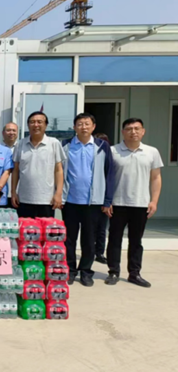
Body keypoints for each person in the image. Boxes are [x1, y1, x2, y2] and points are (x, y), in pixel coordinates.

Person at [106, 118, 163, 288]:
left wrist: (154, 201)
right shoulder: (113, 151)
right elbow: (105, 177)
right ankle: (113, 271)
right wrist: (107, 200)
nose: (133, 132)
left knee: (136, 241)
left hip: (141, 203)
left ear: (143, 131)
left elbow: (156, 178)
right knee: (114, 239)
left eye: (137, 128)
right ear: (123, 132)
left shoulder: (151, 152)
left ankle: (134, 273)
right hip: (117, 203)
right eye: (129, 129)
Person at [61, 113, 114, 287]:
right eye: (80, 124)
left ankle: (85, 271)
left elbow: (109, 173)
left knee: (89, 239)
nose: (83, 127)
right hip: (70, 200)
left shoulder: (102, 146)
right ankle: (70, 270)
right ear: (74, 127)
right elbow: (59, 171)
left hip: (93, 202)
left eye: (87, 124)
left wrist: (107, 200)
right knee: (69, 239)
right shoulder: (66, 145)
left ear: (93, 126)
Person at [11, 112, 65, 218]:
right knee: (25, 228)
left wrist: (58, 194)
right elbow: (16, 170)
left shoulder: (54, 143)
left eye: (39, 122)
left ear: (46, 125)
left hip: (47, 200)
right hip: (24, 199)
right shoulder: (20, 144)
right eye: (32, 122)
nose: (36, 125)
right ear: (28, 125)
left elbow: (58, 170)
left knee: (45, 228)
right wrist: (13, 193)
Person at [93, 132, 111, 264]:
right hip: (92, 197)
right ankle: (90, 251)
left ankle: (99, 252)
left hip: (104, 198)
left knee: (101, 228)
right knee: (91, 228)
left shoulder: (108, 154)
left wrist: (108, 200)